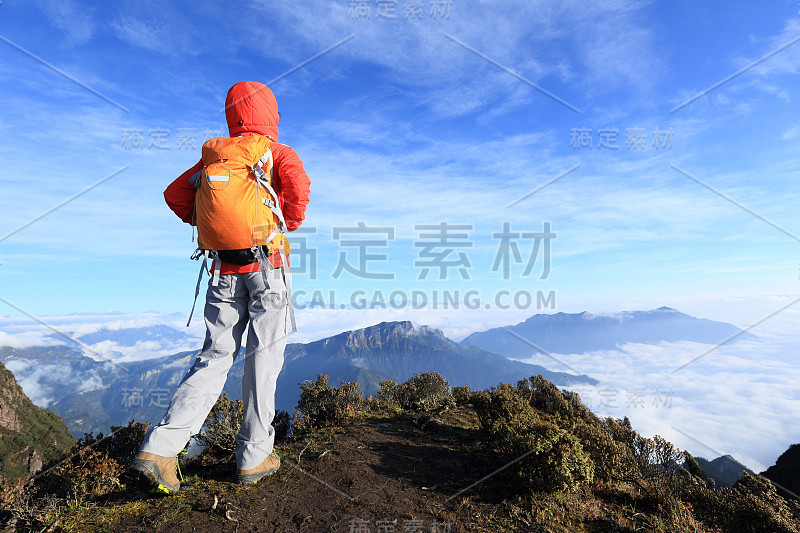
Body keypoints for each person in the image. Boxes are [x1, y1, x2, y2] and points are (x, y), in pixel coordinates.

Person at [128, 81, 311, 493]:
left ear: (232, 115)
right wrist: (288, 221)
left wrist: (209, 223)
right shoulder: (275, 153)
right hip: (269, 266)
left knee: (214, 357)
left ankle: (159, 449)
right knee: (263, 358)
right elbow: (298, 188)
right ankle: (254, 455)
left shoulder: (214, 158)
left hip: (223, 272)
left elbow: (174, 194)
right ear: (271, 114)